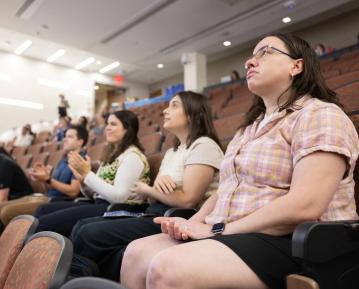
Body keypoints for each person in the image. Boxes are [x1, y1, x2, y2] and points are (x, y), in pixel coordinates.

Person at [120, 33, 359, 289]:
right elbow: (226, 190)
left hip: (296, 241)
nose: (249, 62)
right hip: (236, 232)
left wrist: (217, 230)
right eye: (251, 56)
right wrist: (195, 222)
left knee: (167, 269)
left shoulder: (320, 114)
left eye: (265, 53)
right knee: (135, 254)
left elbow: (306, 205)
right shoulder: (247, 129)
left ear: (296, 66)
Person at [69, 91, 224, 280]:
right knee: (82, 226)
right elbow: (155, 196)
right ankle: (88, 279)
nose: (166, 110)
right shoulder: (172, 152)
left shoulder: (204, 145)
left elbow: (187, 200)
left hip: (174, 219)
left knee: (88, 233)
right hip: (154, 210)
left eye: (174, 105)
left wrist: (148, 189)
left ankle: (84, 280)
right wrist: (154, 189)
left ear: (193, 113)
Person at [33, 110, 150, 237]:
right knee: (42, 209)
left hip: (117, 211)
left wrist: (88, 174)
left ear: (127, 129)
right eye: (107, 124)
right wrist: (83, 181)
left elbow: (119, 198)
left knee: (44, 224)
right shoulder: (111, 157)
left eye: (113, 124)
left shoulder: (133, 156)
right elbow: (94, 195)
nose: (107, 128)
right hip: (99, 204)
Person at [0, 125, 88, 226]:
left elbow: (73, 191)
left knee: (6, 212)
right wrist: (42, 177)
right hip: (43, 196)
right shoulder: (63, 161)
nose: (65, 139)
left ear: (80, 141)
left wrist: (49, 179)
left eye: (70, 137)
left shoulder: (81, 162)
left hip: (53, 202)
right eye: (65, 136)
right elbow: (52, 186)